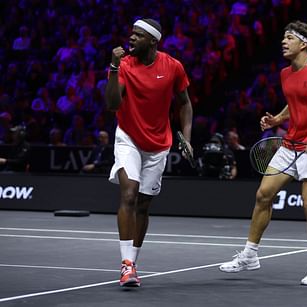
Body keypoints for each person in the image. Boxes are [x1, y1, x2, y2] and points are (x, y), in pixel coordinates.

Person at [219, 21, 307, 286]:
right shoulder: (285, 74)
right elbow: (295, 102)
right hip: (290, 144)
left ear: (304, 44)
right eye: (283, 37)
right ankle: (250, 255)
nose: (283, 41)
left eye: (289, 37)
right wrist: (276, 119)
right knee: (263, 195)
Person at [105, 18, 193, 287]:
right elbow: (112, 104)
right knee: (129, 193)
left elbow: (185, 104)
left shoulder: (172, 66)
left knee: (143, 204)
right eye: (131, 33)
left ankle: (134, 260)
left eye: (138, 35)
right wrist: (112, 68)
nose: (131, 38)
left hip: (158, 144)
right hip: (129, 137)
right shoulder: (124, 66)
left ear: (153, 41)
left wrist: (187, 138)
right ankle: (126, 265)